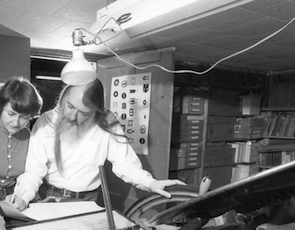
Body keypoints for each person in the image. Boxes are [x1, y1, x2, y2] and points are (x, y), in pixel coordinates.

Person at [10, 78, 185, 210]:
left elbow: (125, 164)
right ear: (63, 96)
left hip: (88, 202)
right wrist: (22, 197)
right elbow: (34, 170)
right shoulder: (46, 122)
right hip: (49, 198)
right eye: (70, 106)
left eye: (84, 114)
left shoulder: (107, 123)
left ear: (96, 111)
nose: (71, 116)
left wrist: (151, 183)